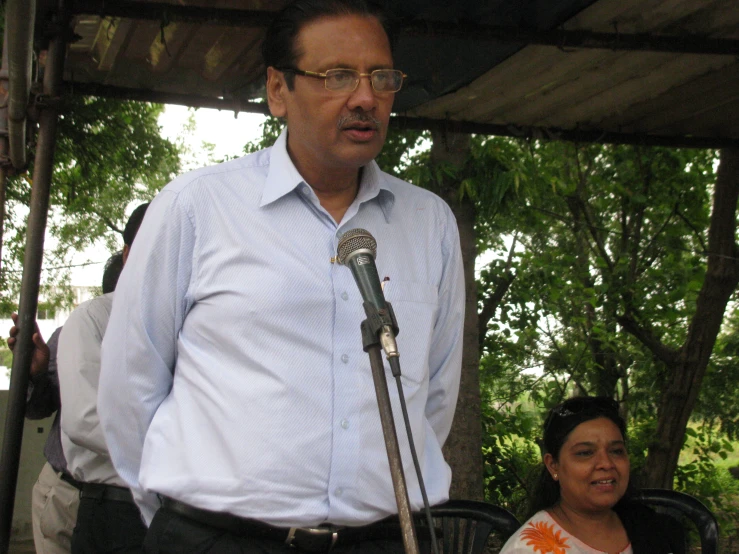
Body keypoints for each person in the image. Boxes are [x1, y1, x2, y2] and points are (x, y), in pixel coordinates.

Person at [97, 1, 465, 552]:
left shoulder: (428, 221)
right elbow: (131, 385)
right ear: (277, 90)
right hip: (220, 539)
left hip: (381, 540)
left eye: (380, 77)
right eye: (337, 76)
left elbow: (434, 394)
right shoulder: (197, 208)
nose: (365, 98)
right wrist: (185, 526)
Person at [8, 251, 125, 554]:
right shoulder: (79, 328)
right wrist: (34, 375)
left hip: (126, 503)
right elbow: (37, 409)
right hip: (68, 492)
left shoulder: (166, 335)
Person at [56, 205, 149, 554]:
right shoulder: (93, 319)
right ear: (128, 255)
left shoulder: (196, 325)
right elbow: (85, 419)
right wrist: (182, 453)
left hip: (184, 517)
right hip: (116, 510)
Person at [500, 396, 685, 554]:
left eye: (616, 451)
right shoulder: (528, 548)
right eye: (585, 453)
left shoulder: (650, 529)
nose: (606, 463)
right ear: (553, 465)